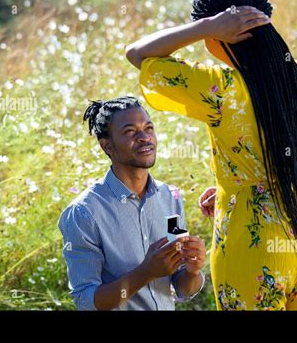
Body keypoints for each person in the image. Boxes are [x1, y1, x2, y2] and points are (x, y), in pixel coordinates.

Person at [126, 0, 297, 310]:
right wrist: (254, 184)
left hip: (250, 247)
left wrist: (205, 26)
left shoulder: (219, 87)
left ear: (223, 35)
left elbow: (137, 53)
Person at [58, 96, 206, 310]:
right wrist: (145, 273)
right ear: (107, 146)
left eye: (149, 128)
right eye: (130, 132)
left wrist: (192, 270)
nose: (145, 138)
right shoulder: (83, 213)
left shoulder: (170, 197)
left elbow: (182, 286)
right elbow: (86, 301)